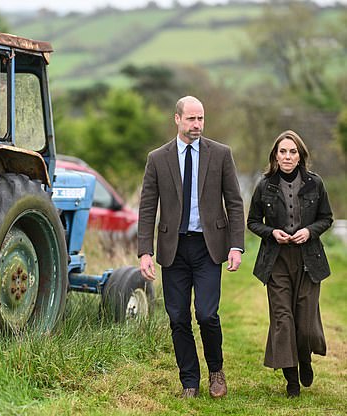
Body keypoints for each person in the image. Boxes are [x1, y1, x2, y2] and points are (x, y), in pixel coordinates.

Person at [138, 96, 245, 399]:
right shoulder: (157, 158)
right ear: (177, 119)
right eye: (191, 119)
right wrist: (145, 251)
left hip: (209, 247)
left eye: (201, 119)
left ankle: (216, 371)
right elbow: (147, 208)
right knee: (177, 317)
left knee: (207, 314)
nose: (197, 125)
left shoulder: (221, 154)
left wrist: (236, 245)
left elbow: (234, 203)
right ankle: (189, 382)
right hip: (173, 249)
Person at [247, 130, 333, 398]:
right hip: (276, 261)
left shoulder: (315, 184)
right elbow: (252, 222)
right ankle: (291, 379)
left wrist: (310, 231)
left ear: (300, 156)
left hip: (309, 260)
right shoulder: (264, 185)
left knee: (305, 324)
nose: (287, 156)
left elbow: (326, 218)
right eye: (282, 151)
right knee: (283, 320)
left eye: (292, 151)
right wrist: (272, 233)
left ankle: (305, 358)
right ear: (275, 155)